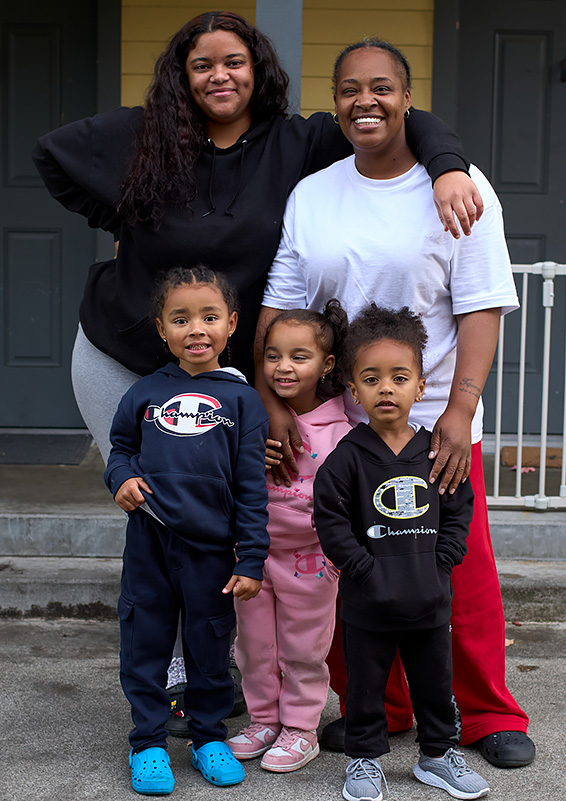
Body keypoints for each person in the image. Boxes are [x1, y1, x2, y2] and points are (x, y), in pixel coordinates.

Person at [32, 10, 482, 467]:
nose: (219, 76)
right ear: (182, 77)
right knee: (151, 501)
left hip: (231, 371)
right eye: (202, 66)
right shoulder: (143, 134)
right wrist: (122, 220)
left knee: (218, 507)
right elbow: (51, 155)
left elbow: (398, 118)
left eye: (234, 62)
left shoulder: (298, 143)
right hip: (125, 353)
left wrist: (447, 167)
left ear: (257, 69)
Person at [255, 38, 535, 768]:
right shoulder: (315, 193)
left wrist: (461, 408)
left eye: (381, 87)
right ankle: (383, 707)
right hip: (343, 419)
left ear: (409, 99)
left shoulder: (459, 185)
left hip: (433, 413)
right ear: (337, 101)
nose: (365, 100)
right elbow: (284, 302)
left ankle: (486, 713)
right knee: (349, 560)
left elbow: (480, 307)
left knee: (455, 560)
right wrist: (272, 396)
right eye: (350, 88)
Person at [104, 265, 269, 794]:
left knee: (208, 646)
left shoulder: (243, 401)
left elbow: (250, 485)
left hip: (212, 551)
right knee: (145, 643)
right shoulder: (145, 393)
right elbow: (120, 451)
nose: (195, 329)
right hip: (150, 542)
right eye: (181, 319)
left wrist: (251, 558)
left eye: (209, 317)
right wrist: (122, 478)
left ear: (231, 325)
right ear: (161, 329)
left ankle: (207, 737)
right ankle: (148, 744)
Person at [314, 304, 489, 801]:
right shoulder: (346, 457)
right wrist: (362, 568)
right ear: (353, 389)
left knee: (436, 686)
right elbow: (329, 519)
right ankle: (365, 763)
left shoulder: (438, 451)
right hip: (368, 604)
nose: (385, 388)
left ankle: (437, 756)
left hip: (429, 599)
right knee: (365, 691)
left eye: (398, 377)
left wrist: (443, 559)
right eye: (371, 378)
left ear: (420, 387)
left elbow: (459, 509)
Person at [227, 301, 351, 772]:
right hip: (253, 553)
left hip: (312, 560)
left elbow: (349, 500)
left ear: (328, 365)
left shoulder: (342, 430)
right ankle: (263, 719)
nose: (283, 367)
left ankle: (300, 728)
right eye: (273, 355)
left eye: (299, 356)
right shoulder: (248, 418)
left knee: (303, 648)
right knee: (254, 644)